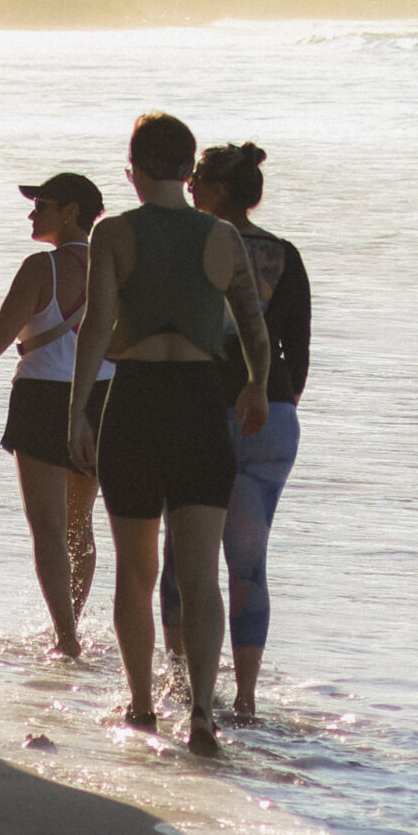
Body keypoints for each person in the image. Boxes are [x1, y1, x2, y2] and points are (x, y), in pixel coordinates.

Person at [68, 113, 269, 757]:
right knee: (202, 572)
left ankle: (142, 703)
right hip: (201, 403)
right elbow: (253, 325)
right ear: (188, 171)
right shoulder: (221, 236)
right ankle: (204, 712)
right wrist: (258, 385)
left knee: (135, 568)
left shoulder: (113, 233)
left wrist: (77, 413)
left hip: (136, 402)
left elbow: (97, 327)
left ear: (134, 169)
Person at [158, 142, 311, 720]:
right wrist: (274, 402)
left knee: (183, 559)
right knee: (249, 564)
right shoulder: (285, 254)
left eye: (197, 179)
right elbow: (297, 349)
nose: (190, 187)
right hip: (272, 417)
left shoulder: (196, 243)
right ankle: (245, 700)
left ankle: (182, 687)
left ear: (219, 191)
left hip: (203, 410)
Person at [0, 172, 112, 657]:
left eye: (41, 204)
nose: (32, 213)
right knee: (79, 523)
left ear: (70, 212)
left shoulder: (39, 268)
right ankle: (74, 625)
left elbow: (2, 334)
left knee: (46, 527)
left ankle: (65, 636)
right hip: (102, 395)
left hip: (43, 396)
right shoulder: (114, 266)